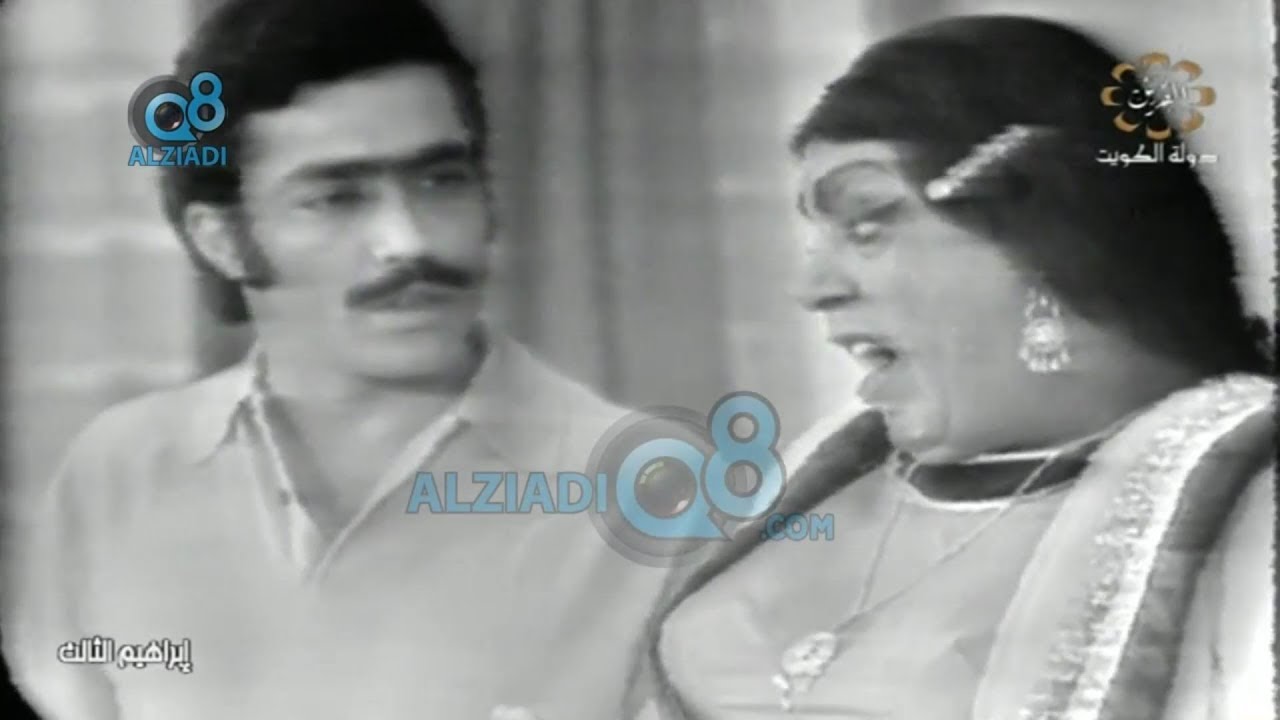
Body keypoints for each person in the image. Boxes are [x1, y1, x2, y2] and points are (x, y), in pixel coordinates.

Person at [1, 1, 674, 718]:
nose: (408, 242)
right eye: (335, 199)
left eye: (440, 180)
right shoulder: (118, 476)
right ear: (223, 241)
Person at [623, 15, 1275, 720]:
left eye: (867, 226)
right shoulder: (829, 465)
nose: (813, 288)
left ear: (1045, 244)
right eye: (817, 240)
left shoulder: (1248, 511)